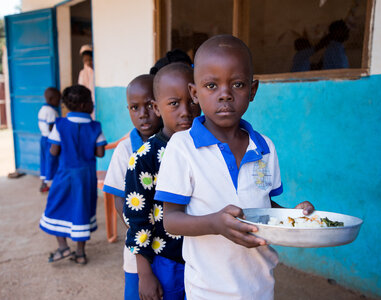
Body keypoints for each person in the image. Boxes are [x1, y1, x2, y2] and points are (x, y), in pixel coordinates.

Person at [154, 35, 315, 299]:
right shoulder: (182, 148)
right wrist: (215, 224)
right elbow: (171, 220)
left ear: (252, 90)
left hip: (260, 286)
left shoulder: (265, 147)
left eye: (237, 84)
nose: (225, 94)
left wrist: (294, 217)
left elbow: (263, 205)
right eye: (211, 85)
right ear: (195, 93)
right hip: (208, 289)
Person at [124, 62, 201, 300]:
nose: (185, 111)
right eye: (174, 104)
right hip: (167, 260)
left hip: (206, 257)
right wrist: (144, 273)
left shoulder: (208, 149)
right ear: (157, 108)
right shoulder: (144, 158)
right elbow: (137, 220)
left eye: (192, 100)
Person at [103, 74, 162, 299]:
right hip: (138, 246)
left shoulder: (175, 144)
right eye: (134, 108)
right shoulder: (125, 150)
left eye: (149, 105)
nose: (142, 114)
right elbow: (119, 199)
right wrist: (136, 231)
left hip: (172, 244)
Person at [39, 85, 107, 265]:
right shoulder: (95, 126)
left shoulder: (60, 124)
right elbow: (100, 153)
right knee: (81, 210)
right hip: (86, 176)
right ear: (85, 106)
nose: (93, 104)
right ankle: (80, 253)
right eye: (91, 101)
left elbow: (53, 151)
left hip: (65, 175)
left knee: (55, 207)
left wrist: (48, 176)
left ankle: (63, 247)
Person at [37, 87, 61, 192]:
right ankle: (53, 183)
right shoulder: (52, 111)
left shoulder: (42, 109)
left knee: (44, 160)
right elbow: (52, 128)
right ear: (51, 99)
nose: (59, 102)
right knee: (52, 160)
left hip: (43, 138)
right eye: (58, 99)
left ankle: (44, 183)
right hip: (50, 140)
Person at [78, 44, 95, 115]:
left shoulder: (97, 72)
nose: (88, 62)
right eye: (85, 60)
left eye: (90, 60)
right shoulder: (82, 73)